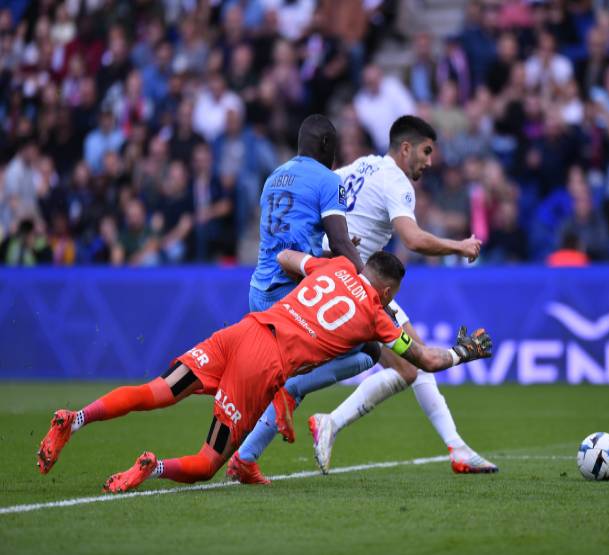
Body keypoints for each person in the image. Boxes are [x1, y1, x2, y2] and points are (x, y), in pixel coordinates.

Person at [36, 248, 491, 492]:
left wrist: (310, 273)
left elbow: (287, 259)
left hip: (241, 332)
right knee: (206, 463)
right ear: (388, 288)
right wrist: (464, 352)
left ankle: (74, 419)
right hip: (262, 365)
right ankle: (151, 469)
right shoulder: (379, 317)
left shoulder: (333, 266)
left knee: (155, 389)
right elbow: (426, 360)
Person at [233, 115, 493, 481]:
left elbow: (325, 197)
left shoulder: (363, 166)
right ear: (406, 148)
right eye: (426, 151)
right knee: (401, 359)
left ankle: (455, 448)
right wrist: (460, 245)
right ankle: (319, 422)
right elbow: (413, 238)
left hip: (325, 274)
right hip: (351, 284)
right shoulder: (397, 183)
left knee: (406, 366)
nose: (429, 161)